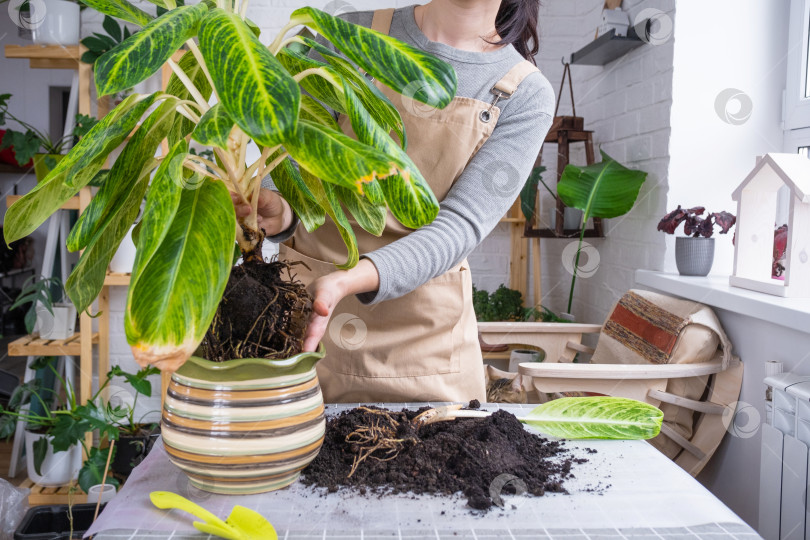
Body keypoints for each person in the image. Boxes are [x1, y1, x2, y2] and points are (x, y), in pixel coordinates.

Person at [233, 0, 555, 403]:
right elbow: (296, 162)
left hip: (425, 352)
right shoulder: (347, 34)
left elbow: (460, 226)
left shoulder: (525, 93)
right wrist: (283, 210)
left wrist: (349, 280)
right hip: (307, 324)